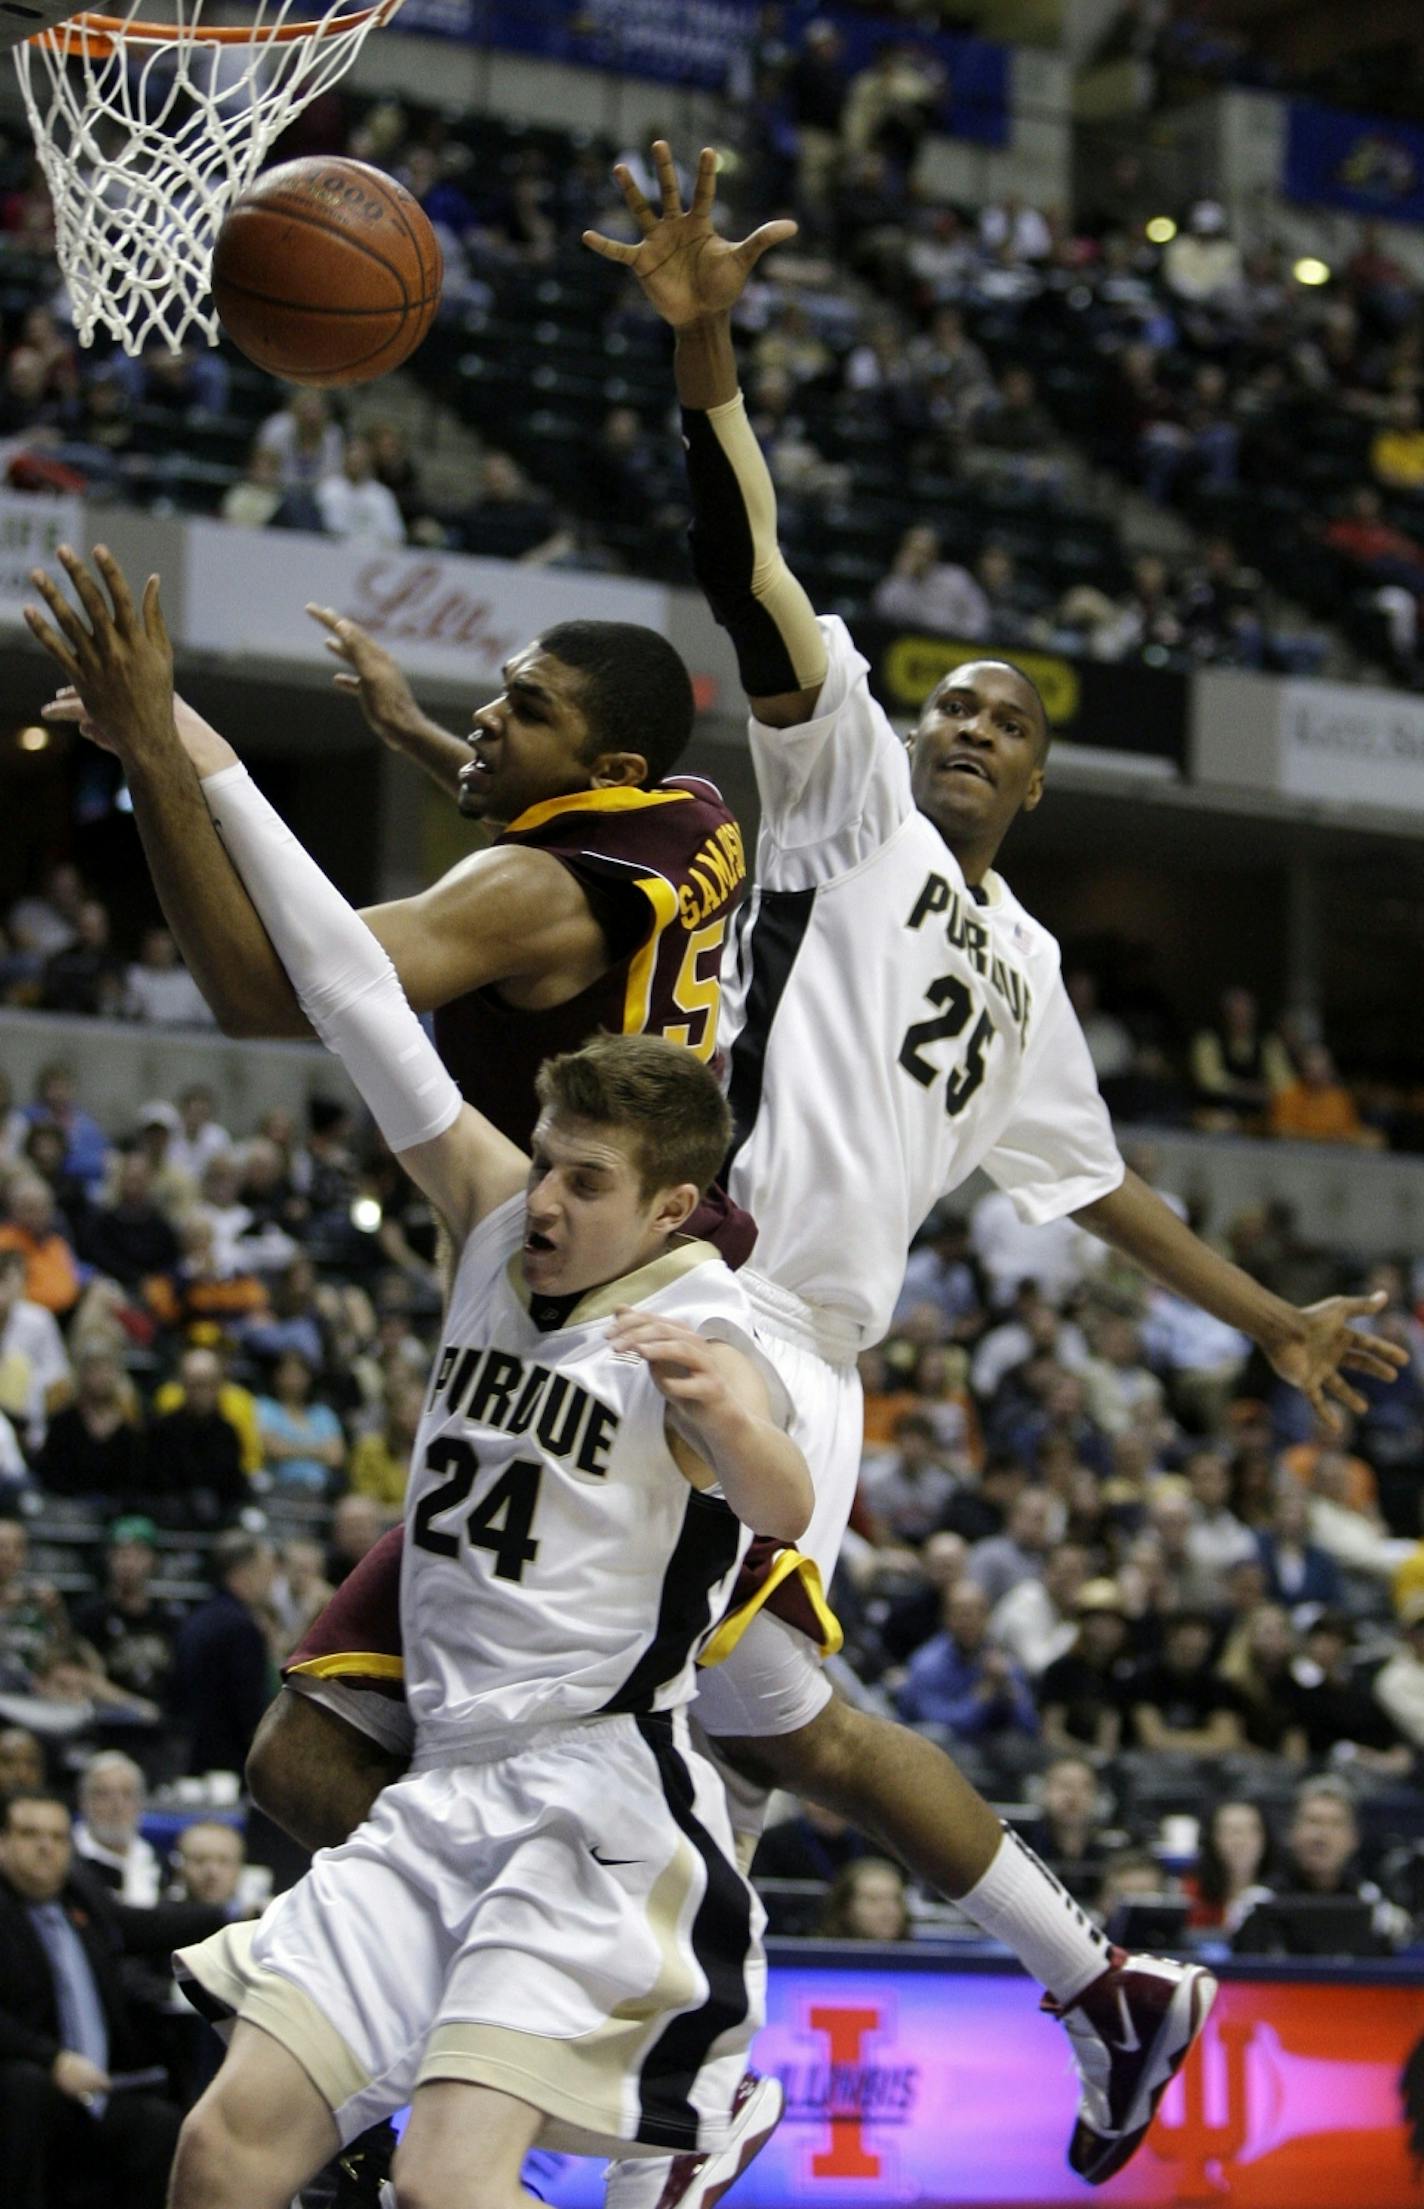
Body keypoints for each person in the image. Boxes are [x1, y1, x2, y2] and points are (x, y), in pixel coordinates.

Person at [29, 144, 1406, 2190]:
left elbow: (1096, 1191)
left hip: (740, 1333)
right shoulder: (845, 830)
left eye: (1003, 722)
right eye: (942, 700)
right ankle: (1063, 1986)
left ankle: (707, 2069)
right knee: (565, 1736)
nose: (956, 725)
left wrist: (1272, 1311)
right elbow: (731, 592)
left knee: (697, 1738)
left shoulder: (1000, 956)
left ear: (1041, 784)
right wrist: (697, 363)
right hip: (687, 1299)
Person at [144, 712, 811, 2205]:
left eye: (587, 1180)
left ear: (673, 1207)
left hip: (595, 1800)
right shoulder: (499, 1216)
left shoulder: (709, 1320)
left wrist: (738, 1423)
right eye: (548, 1157)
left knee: (450, 2186)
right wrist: (200, 755)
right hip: (442, 1787)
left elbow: (781, 1497)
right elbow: (347, 989)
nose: (548, 1198)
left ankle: (689, 2154)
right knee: (224, 2144)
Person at [0, 1787, 186, 2209]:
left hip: (97, 2088)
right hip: (32, 2084)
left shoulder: (79, 1897)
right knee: (23, 2090)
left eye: (58, 1837)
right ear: (4, 1841)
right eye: (30, 1834)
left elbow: (146, 1927)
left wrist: (230, 1917)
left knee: (161, 2126)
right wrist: (53, 2060)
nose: (45, 1847)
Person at [171, 1531, 279, 1777]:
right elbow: (248, 1709)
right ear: (241, 1574)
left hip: (191, 1755)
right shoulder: (242, 1628)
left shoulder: (195, 1619)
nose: (271, 1581)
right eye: (264, 1571)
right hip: (228, 1765)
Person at [73, 1750, 162, 1904]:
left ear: (140, 1803)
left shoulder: (159, 1861)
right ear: (84, 1802)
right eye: (103, 1794)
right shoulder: (70, 1858)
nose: (117, 1805)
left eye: (127, 1794)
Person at [1183, 1800, 1275, 1933]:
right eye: (1229, 1831)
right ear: (1212, 1839)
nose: (1240, 1841)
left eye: (1250, 1830)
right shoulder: (1191, 1894)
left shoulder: (1285, 1893)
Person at [816, 1857, 910, 1941]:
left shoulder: (919, 1954)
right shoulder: (815, 1955)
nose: (889, 1910)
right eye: (873, 1900)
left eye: (896, 1899)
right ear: (845, 1908)